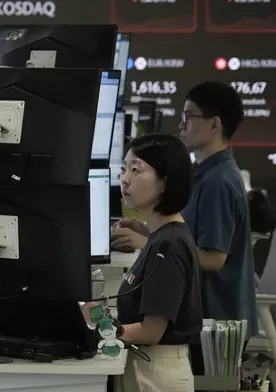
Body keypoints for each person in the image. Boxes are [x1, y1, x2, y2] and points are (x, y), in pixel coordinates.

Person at [111, 81, 259, 374]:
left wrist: (149, 245)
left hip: (215, 320)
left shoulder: (218, 181)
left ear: (214, 124)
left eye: (188, 116)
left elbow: (214, 258)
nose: (181, 124)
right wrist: (146, 230)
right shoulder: (204, 173)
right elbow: (188, 232)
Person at [114, 134, 202, 392]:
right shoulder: (159, 236)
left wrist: (96, 332)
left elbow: (151, 331)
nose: (124, 178)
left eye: (135, 169)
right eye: (123, 168)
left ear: (164, 182)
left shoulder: (169, 244)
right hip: (149, 368)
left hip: (156, 374)